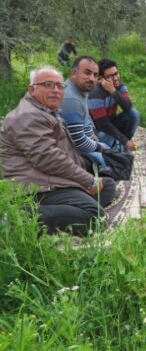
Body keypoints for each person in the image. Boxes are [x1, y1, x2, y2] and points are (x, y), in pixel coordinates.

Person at [0, 66, 116, 235]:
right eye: (48, 84)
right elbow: (48, 159)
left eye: (60, 86)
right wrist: (87, 180)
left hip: (53, 179)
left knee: (108, 186)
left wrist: (84, 177)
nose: (55, 90)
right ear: (32, 89)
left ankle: (68, 207)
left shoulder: (44, 110)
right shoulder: (27, 116)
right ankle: (17, 216)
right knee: (96, 217)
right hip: (37, 187)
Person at [60, 56, 110, 169]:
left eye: (95, 75)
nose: (92, 78)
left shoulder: (79, 91)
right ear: (74, 73)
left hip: (79, 142)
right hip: (67, 152)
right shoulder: (71, 98)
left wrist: (91, 134)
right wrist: (99, 147)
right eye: (87, 73)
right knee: (109, 159)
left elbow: (85, 118)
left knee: (109, 142)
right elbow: (78, 142)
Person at [88, 58, 140, 152]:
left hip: (112, 123)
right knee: (104, 137)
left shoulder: (120, 87)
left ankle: (123, 143)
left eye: (116, 73)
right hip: (98, 129)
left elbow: (127, 107)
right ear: (101, 79)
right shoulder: (95, 93)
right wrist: (124, 140)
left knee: (134, 113)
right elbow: (102, 123)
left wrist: (113, 91)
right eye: (110, 76)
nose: (116, 78)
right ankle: (120, 145)